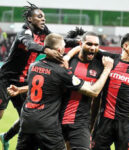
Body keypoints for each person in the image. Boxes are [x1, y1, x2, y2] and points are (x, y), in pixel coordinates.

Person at [7, 33, 113, 150]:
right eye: (64, 47)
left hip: (29, 121)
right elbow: (93, 91)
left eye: (96, 45)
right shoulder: (62, 71)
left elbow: (47, 84)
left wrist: (21, 89)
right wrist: (107, 69)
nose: (65, 50)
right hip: (50, 123)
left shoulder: (33, 66)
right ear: (59, 50)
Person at [0, 2, 63, 150]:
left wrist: (77, 42)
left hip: (22, 82)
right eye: (39, 16)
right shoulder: (25, 32)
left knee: (29, 116)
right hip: (5, 79)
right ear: (29, 19)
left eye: (44, 17)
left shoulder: (44, 32)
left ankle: (6, 136)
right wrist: (46, 50)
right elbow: (29, 44)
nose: (43, 19)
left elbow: (58, 41)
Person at [91, 33, 129, 150]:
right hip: (104, 121)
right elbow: (84, 46)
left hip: (126, 124)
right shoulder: (109, 59)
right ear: (126, 46)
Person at [60, 31, 104, 150]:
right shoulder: (66, 60)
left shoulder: (100, 65)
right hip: (56, 118)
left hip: (80, 122)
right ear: (80, 44)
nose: (93, 48)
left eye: (96, 45)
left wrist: (92, 124)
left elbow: (97, 100)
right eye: (89, 44)